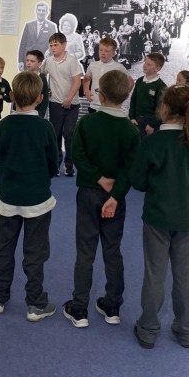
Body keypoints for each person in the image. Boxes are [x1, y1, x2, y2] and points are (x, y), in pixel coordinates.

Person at [103, 85, 189, 349]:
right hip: (188, 220)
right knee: (185, 276)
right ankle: (186, 329)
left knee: (154, 274)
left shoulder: (152, 143)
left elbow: (139, 181)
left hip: (157, 218)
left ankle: (148, 328)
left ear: (164, 109)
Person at [63, 71, 140, 328]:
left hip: (89, 192)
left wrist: (98, 178)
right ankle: (112, 306)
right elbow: (130, 168)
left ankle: (79, 309)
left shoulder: (87, 123)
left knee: (85, 252)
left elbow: (77, 155)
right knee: (112, 250)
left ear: (101, 95)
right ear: (126, 97)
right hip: (116, 198)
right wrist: (115, 194)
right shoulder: (131, 130)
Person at [0, 71, 59, 321]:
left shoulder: (4, 125)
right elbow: (53, 163)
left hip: (8, 198)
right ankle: (35, 303)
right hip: (37, 201)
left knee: (3, 248)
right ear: (40, 98)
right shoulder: (45, 127)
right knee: (35, 252)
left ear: (11, 96)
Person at [41, 32, 83, 177]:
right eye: (51, 45)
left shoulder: (72, 60)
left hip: (72, 104)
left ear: (64, 45)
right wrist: (46, 89)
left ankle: (69, 165)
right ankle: (56, 165)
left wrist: (69, 98)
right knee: (56, 134)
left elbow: (77, 81)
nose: (53, 48)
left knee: (69, 134)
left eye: (56, 45)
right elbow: (41, 75)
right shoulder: (48, 61)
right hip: (55, 103)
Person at [83, 37, 131, 113]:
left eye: (107, 51)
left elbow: (130, 81)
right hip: (94, 105)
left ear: (114, 53)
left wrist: (123, 95)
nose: (103, 53)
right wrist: (86, 91)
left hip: (110, 108)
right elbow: (87, 78)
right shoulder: (92, 65)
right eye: (101, 50)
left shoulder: (118, 67)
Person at [129, 52, 167, 137]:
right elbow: (133, 99)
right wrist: (132, 117)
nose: (144, 65)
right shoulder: (139, 81)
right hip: (137, 120)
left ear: (157, 69)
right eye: (145, 62)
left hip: (150, 123)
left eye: (149, 64)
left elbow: (160, 108)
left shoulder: (161, 86)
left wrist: (152, 124)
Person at [17, 1, 57, 71]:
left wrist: (49, 51)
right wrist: (20, 61)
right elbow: (23, 43)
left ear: (47, 12)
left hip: (42, 60)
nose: (41, 12)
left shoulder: (51, 27)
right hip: (28, 60)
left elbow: (53, 44)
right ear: (36, 11)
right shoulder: (28, 25)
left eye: (43, 11)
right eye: (39, 10)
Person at [24, 49, 49, 118]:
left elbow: (44, 99)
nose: (29, 63)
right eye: (27, 60)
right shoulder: (21, 77)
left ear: (39, 64)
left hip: (36, 114)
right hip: (21, 113)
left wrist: (40, 115)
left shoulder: (42, 79)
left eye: (32, 61)